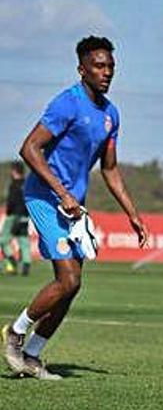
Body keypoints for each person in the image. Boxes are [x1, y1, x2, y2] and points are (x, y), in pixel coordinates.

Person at [1, 36, 148, 380]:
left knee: (73, 284)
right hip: (44, 197)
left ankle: (33, 356)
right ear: (82, 69)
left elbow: (110, 169)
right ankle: (16, 334)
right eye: (99, 65)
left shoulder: (111, 114)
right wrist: (61, 192)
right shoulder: (67, 103)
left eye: (110, 66)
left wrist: (133, 213)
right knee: (68, 278)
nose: (106, 72)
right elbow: (30, 148)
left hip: (72, 206)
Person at [1, 161, 31, 276]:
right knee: (23, 241)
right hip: (25, 216)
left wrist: (8, 211)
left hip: (14, 216)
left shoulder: (14, 185)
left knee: (3, 240)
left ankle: (11, 260)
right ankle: (26, 266)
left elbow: (11, 202)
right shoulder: (27, 184)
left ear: (14, 171)